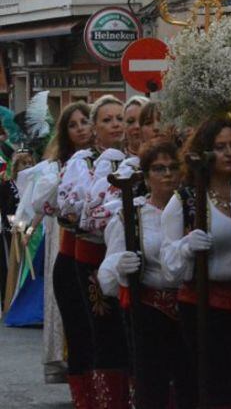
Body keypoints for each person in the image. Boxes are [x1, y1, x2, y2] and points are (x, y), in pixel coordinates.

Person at [162, 119, 231, 408]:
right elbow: (170, 264)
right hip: (208, 308)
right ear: (205, 152)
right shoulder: (187, 200)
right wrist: (186, 247)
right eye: (220, 147)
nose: (229, 153)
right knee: (217, 385)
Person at [97, 141, 195, 409]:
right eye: (159, 168)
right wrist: (121, 265)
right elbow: (107, 271)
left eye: (173, 167)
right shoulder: (133, 214)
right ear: (146, 175)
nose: (167, 174)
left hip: (192, 308)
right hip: (149, 311)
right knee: (151, 386)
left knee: (191, 383)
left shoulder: (194, 210)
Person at [12, 101, 93, 406]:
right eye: (73, 124)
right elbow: (38, 204)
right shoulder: (54, 166)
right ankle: (79, 376)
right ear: (66, 132)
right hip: (65, 237)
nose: (81, 128)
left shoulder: (105, 159)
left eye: (85, 121)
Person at [56, 95, 130, 408]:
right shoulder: (82, 162)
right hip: (86, 259)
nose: (116, 125)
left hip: (125, 258)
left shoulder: (133, 158)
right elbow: (72, 211)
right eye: (106, 120)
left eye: (120, 119)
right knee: (97, 336)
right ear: (95, 128)